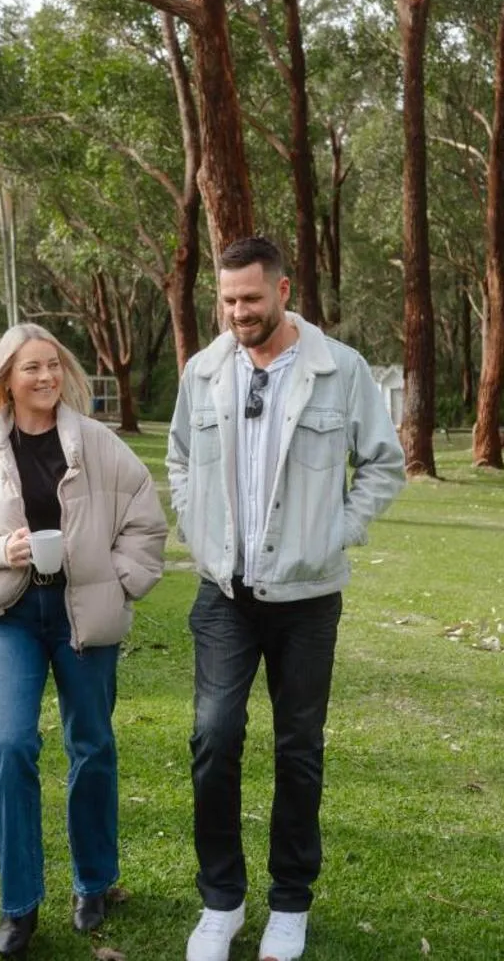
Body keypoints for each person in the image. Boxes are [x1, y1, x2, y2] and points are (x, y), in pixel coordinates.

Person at [165, 236, 405, 961]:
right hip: (223, 594)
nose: (238, 311)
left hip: (306, 597)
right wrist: (198, 528)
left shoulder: (340, 370)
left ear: (282, 290)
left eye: (251, 298)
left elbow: (382, 464)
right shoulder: (203, 370)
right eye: (228, 299)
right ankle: (222, 903)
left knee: (297, 748)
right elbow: (178, 459)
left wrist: (338, 530)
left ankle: (289, 906)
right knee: (213, 737)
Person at [0, 323, 169, 957]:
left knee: (90, 742)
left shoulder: (98, 444)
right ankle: (19, 905)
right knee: (8, 742)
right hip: (11, 614)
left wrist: (119, 583)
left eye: (52, 366)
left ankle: (93, 881)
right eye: (30, 368)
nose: (44, 377)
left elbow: (146, 520)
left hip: (82, 614)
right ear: (6, 379)